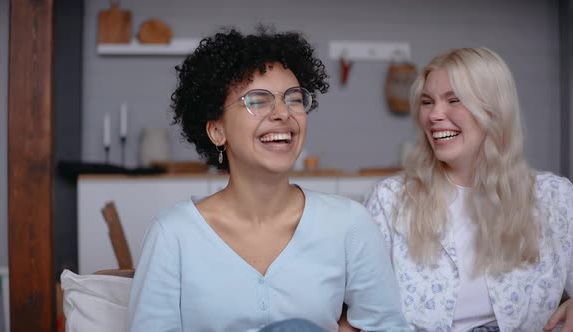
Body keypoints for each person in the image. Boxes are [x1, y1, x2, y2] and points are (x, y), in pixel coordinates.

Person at [126, 26, 409, 332]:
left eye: (294, 99)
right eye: (258, 100)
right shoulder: (173, 234)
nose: (282, 113)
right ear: (217, 131)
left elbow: (386, 326)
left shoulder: (350, 223)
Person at [363, 47, 573, 331]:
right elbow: (366, 307)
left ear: (494, 111)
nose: (435, 115)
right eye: (427, 102)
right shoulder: (391, 200)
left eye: (454, 100)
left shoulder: (555, 197)